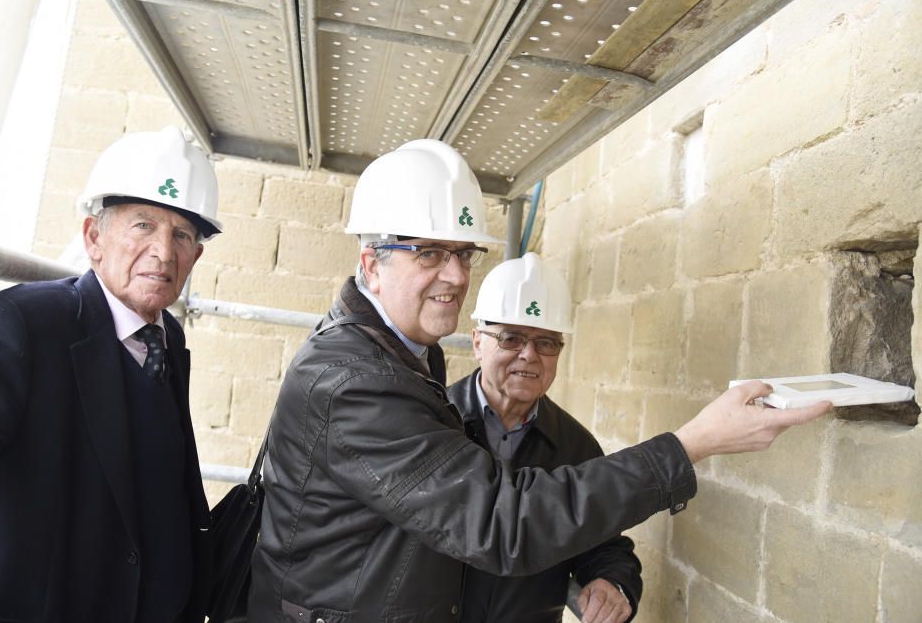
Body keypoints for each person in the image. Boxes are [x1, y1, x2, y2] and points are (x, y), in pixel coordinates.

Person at [247, 139, 830, 622]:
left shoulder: (410, 364)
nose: (454, 274)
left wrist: (611, 580)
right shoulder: (359, 381)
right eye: (428, 253)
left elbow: (593, 540)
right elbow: (501, 522)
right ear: (373, 264)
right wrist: (693, 443)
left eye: (464, 253)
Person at [0, 127, 222, 623]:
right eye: (143, 225)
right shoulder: (20, 326)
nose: (164, 253)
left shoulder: (168, 339)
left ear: (196, 256)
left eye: (182, 235)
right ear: (93, 238)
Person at [448, 252, 640, 623]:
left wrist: (611, 582)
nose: (529, 355)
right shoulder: (435, 425)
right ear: (477, 342)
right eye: (511, 337)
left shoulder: (577, 446)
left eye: (547, 343)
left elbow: (604, 543)